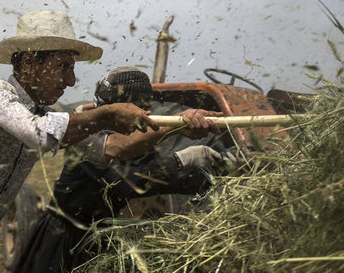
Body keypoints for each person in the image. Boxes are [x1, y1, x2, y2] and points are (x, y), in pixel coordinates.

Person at [0, 11, 189, 273]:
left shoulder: (47, 115)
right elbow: (38, 134)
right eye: (64, 67)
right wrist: (106, 114)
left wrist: (175, 129)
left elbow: (112, 148)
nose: (71, 80)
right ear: (30, 63)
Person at [13, 67, 235, 273]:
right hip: (65, 241)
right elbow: (125, 182)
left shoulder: (139, 144)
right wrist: (181, 158)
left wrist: (220, 170)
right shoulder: (89, 141)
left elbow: (166, 182)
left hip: (103, 239)